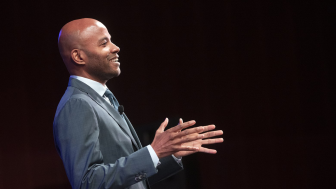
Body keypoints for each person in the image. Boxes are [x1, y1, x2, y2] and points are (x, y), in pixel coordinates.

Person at [53, 18, 223, 189]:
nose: (115, 47)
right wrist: (153, 152)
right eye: (104, 43)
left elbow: (132, 180)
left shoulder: (101, 99)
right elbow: (88, 183)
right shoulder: (77, 105)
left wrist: (167, 155)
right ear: (78, 56)